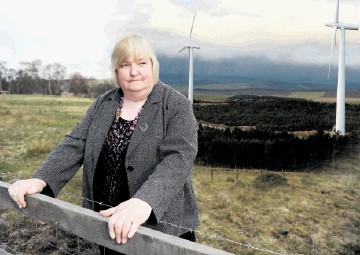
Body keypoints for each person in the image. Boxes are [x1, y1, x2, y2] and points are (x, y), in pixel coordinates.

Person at [8, 34, 199, 255]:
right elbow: (75, 142)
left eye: (141, 63)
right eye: (125, 65)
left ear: (153, 66)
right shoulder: (104, 103)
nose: (134, 71)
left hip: (161, 230)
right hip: (109, 226)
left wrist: (144, 202)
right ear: (116, 72)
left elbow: (178, 159)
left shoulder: (176, 105)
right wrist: (41, 178)